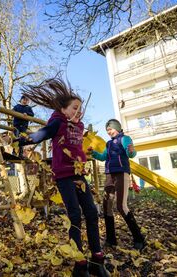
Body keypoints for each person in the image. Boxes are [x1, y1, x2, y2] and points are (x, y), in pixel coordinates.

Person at [17, 77, 109, 277]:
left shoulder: (79, 126)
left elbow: (77, 146)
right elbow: (41, 134)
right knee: (75, 215)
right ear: (64, 110)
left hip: (79, 175)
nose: (78, 111)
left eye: (80, 108)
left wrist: (86, 154)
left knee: (92, 213)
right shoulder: (57, 123)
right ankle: (80, 262)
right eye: (74, 108)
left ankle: (97, 258)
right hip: (64, 176)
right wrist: (20, 141)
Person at [90, 119, 146, 251]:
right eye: (107, 130)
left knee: (121, 206)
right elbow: (103, 157)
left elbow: (130, 153)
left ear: (117, 128)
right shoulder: (109, 143)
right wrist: (93, 153)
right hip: (110, 174)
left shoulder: (125, 138)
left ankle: (139, 239)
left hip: (122, 173)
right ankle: (111, 239)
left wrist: (131, 151)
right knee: (107, 205)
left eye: (110, 129)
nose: (109, 132)